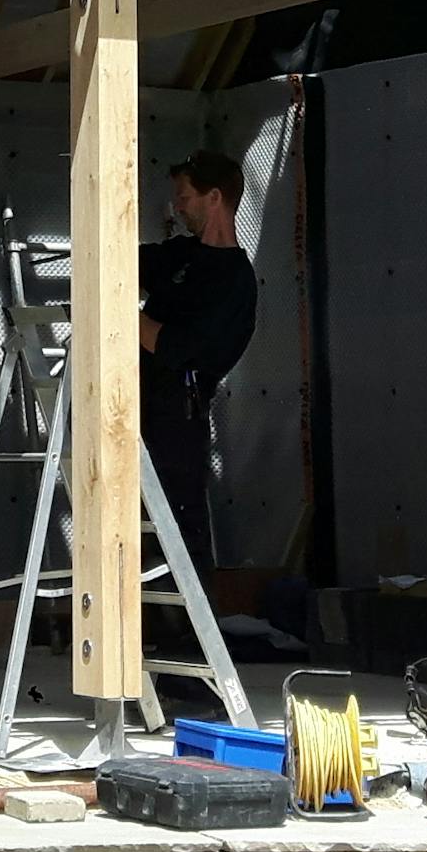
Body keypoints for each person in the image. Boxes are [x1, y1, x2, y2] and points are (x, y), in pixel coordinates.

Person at [136, 148, 259, 575]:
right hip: (141, 401)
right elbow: (127, 260)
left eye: (186, 196)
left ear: (215, 198)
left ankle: (191, 633)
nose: (179, 205)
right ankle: (146, 628)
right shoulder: (183, 256)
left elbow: (179, 347)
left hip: (179, 413)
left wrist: (126, 318)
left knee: (178, 519)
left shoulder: (234, 280)